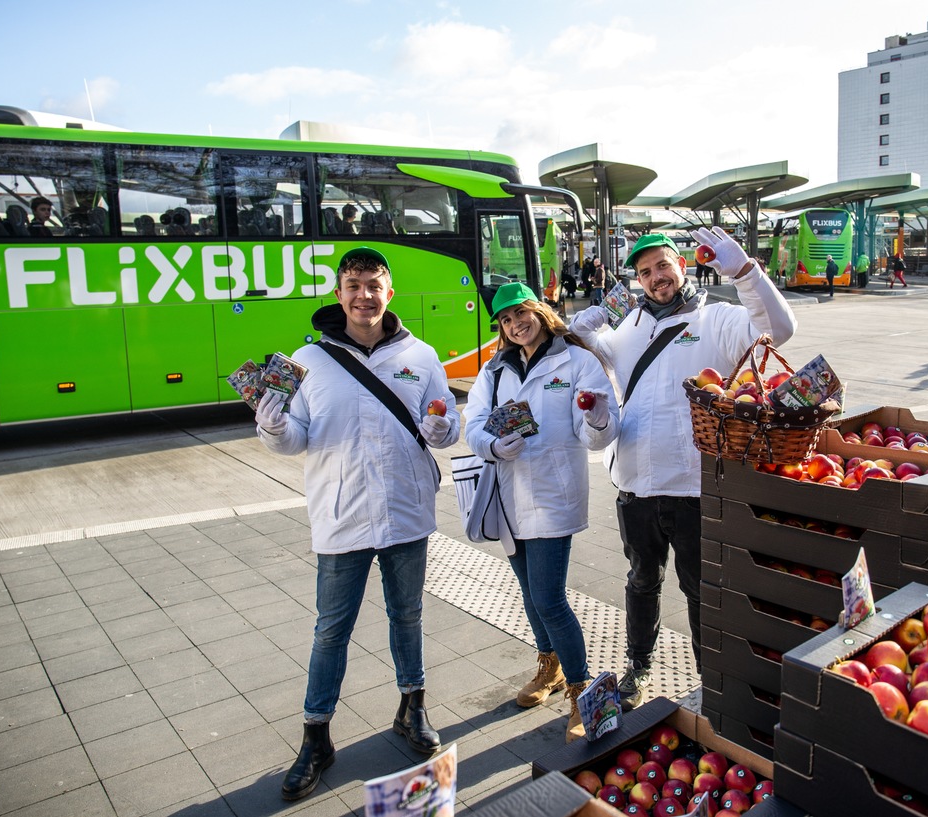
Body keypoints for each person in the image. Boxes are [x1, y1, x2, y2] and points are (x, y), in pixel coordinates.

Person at [256, 247, 461, 800]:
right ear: (338, 292)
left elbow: (445, 417)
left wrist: (444, 431)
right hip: (341, 515)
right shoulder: (308, 361)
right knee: (330, 632)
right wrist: (274, 428)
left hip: (405, 511)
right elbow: (295, 436)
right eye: (353, 284)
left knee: (408, 616)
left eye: (374, 284)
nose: (364, 295)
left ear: (389, 292)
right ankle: (316, 738)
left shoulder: (420, 355)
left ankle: (412, 708)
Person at [569, 228, 796, 710]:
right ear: (638, 280)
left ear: (682, 266)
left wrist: (746, 272)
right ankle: (639, 666)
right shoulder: (628, 327)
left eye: (663, 266)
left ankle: (709, 674)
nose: (656, 278)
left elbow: (779, 329)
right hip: (635, 485)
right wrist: (584, 327)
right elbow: (591, 354)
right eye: (645, 272)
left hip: (698, 489)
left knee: (701, 589)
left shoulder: (717, 319)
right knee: (640, 582)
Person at [463, 282, 619, 742]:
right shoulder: (493, 371)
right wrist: (491, 444)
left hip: (554, 496)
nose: (516, 324)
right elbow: (472, 424)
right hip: (508, 499)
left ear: (540, 311)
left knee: (550, 599)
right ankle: (548, 667)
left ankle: (580, 687)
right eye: (506, 320)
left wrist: (596, 419)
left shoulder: (576, 361)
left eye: (521, 313)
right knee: (531, 597)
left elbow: (597, 433)